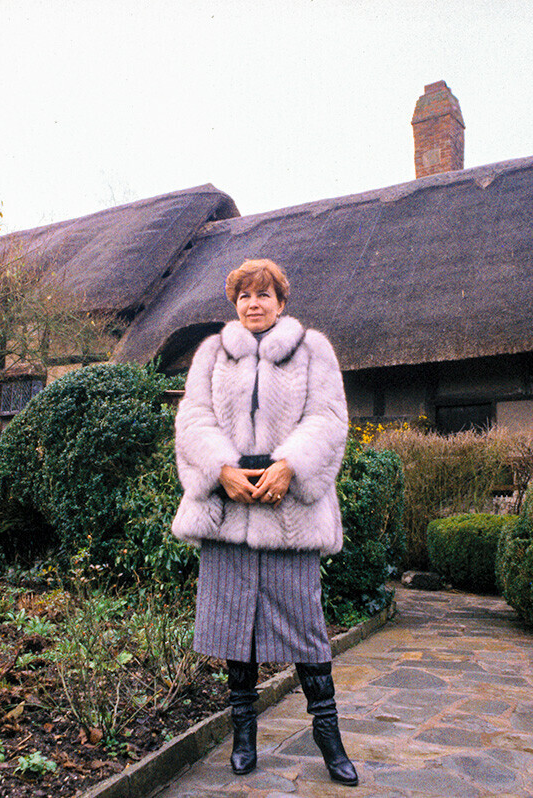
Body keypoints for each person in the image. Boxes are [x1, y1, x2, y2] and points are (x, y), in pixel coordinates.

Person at [172, 259, 357, 786]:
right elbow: (193, 419)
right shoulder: (211, 354)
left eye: (264, 294)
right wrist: (220, 468)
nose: (253, 304)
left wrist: (289, 465)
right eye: (244, 295)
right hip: (228, 510)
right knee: (236, 633)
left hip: (289, 511)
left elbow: (327, 417)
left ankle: (328, 736)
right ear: (235, 303)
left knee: (306, 630)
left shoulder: (312, 349)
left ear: (281, 300)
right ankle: (244, 734)